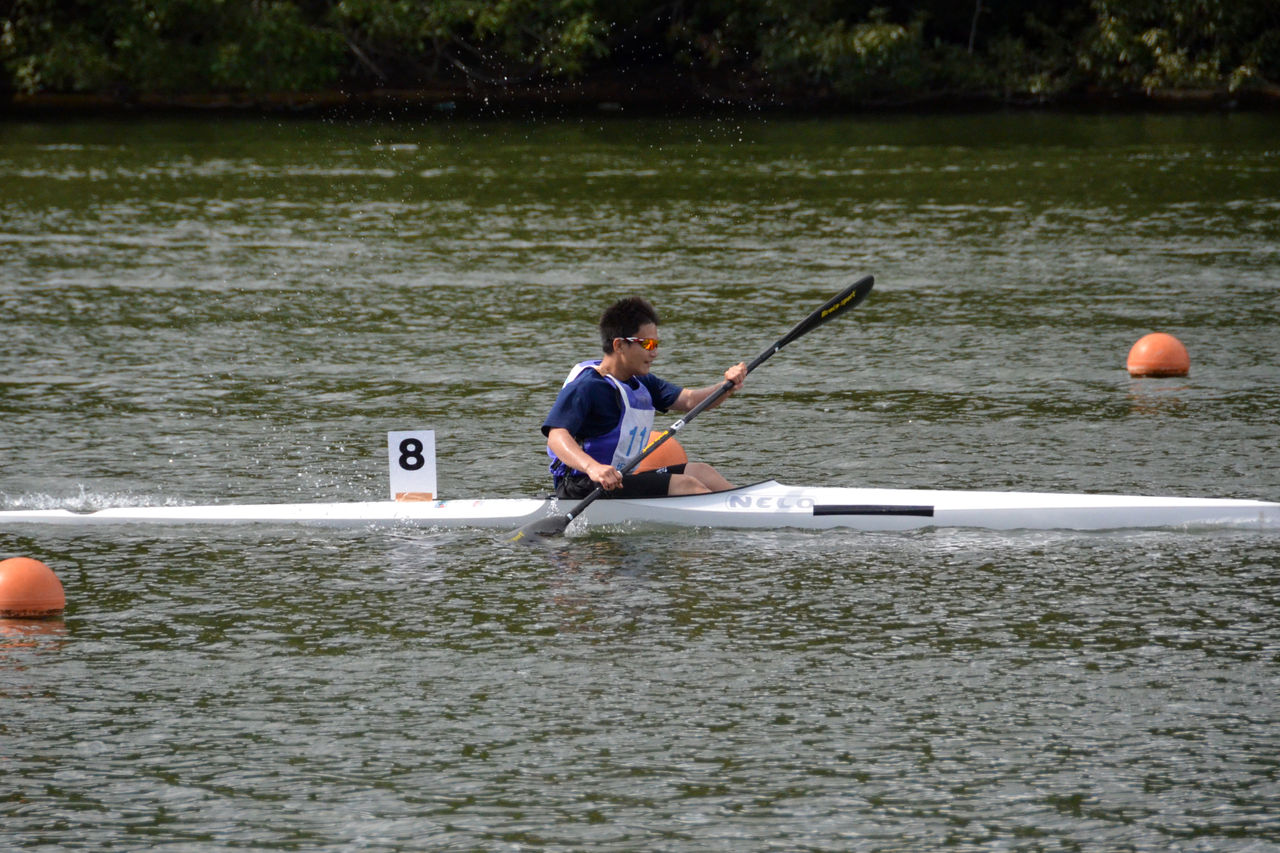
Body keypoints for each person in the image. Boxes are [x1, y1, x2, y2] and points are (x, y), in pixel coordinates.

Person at [543, 296, 747, 500]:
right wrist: (593, 467)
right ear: (619, 345)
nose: (655, 353)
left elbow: (690, 401)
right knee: (686, 485)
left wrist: (727, 386)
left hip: (621, 479)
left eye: (656, 344)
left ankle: (749, 503)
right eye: (647, 344)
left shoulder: (642, 382)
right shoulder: (588, 386)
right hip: (583, 484)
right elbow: (556, 436)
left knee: (700, 472)